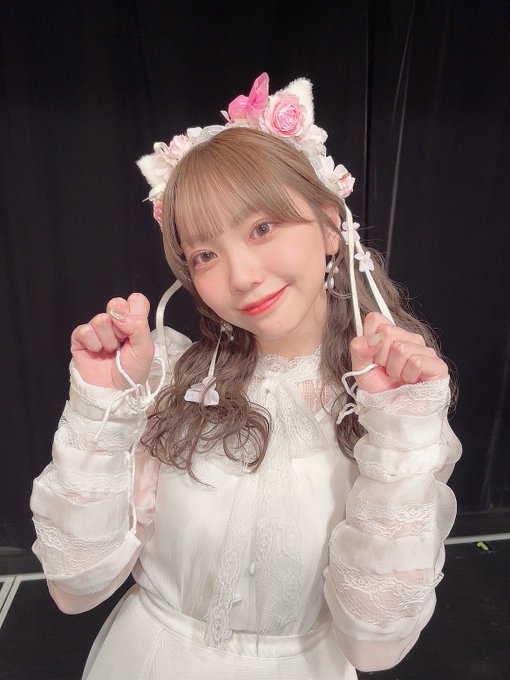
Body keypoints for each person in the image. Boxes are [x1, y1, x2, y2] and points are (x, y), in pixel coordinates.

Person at [30, 73, 462, 679]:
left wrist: (401, 440)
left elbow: (375, 646)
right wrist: (101, 404)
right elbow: (74, 586)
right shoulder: (168, 381)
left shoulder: (390, 405)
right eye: (205, 254)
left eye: (262, 228)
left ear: (330, 225)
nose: (241, 276)